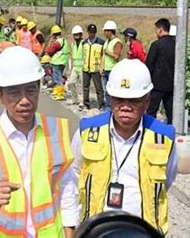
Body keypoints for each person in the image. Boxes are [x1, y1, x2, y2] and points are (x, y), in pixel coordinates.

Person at [0, 46, 77, 237]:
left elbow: (66, 187)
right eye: (14, 93)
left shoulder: (55, 132)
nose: (25, 100)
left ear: (39, 89)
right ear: (0, 95)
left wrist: (70, 230)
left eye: (31, 90)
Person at [71, 58, 177, 235]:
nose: (125, 107)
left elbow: (167, 181)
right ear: (110, 99)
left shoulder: (164, 138)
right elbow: (75, 176)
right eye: (119, 99)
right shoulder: (87, 132)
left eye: (134, 100)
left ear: (147, 102)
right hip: (96, 232)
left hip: (144, 232)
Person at [146, 18, 175, 124]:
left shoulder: (156, 45)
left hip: (157, 84)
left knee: (151, 110)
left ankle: (150, 130)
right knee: (171, 111)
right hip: (172, 84)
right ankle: (172, 131)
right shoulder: (176, 44)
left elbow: (150, 64)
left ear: (160, 29)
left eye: (156, 29)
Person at [82, 24, 105, 110]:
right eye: (90, 32)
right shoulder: (84, 43)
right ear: (88, 32)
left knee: (99, 88)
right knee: (85, 87)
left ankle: (101, 105)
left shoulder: (101, 43)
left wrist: (101, 67)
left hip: (96, 69)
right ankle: (86, 104)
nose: (92, 34)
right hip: (86, 68)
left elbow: (103, 56)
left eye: (93, 32)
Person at [101, 20, 123, 108]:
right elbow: (103, 56)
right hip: (105, 69)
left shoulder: (117, 42)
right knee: (105, 90)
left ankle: (112, 107)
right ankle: (107, 107)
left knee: (112, 90)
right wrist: (101, 67)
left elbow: (116, 56)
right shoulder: (107, 41)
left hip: (112, 70)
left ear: (110, 31)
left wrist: (107, 52)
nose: (104, 33)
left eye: (106, 31)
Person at [46, 25, 70, 101]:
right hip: (62, 62)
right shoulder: (64, 40)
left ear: (53, 34)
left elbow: (49, 51)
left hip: (58, 62)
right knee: (56, 78)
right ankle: (56, 91)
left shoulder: (58, 42)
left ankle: (60, 94)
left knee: (58, 79)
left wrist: (50, 42)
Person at [66, 25, 84, 105]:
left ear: (81, 34)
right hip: (75, 67)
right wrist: (70, 68)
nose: (76, 36)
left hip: (83, 67)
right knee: (71, 83)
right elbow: (72, 56)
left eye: (77, 34)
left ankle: (83, 101)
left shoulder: (84, 43)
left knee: (84, 85)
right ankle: (75, 99)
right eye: (74, 34)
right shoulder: (73, 44)